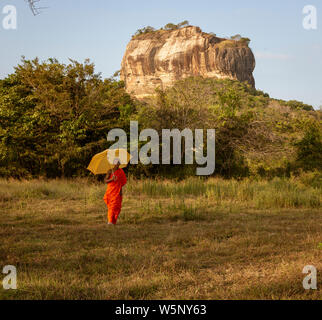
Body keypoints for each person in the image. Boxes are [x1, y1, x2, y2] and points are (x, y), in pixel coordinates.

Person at [103, 159, 127, 225]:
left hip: (118, 192)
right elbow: (105, 180)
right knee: (112, 206)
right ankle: (110, 221)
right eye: (117, 163)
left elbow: (121, 183)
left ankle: (113, 221)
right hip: (110, 192)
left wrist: (121, 192)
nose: (118, 164)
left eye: (119, 163)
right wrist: (111, 179)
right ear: (114, 163)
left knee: (117, 208)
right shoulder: (110, 171)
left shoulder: (121, 171)